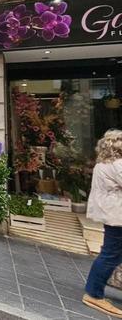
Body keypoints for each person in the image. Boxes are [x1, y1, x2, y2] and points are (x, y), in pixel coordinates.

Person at [83, 129, 122, 318]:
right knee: (110, 254)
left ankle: (96, 288)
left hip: (113, 214)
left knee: (112, 254)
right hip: (117, 215)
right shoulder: (117, 165)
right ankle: (93, 293)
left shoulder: (102, 164)